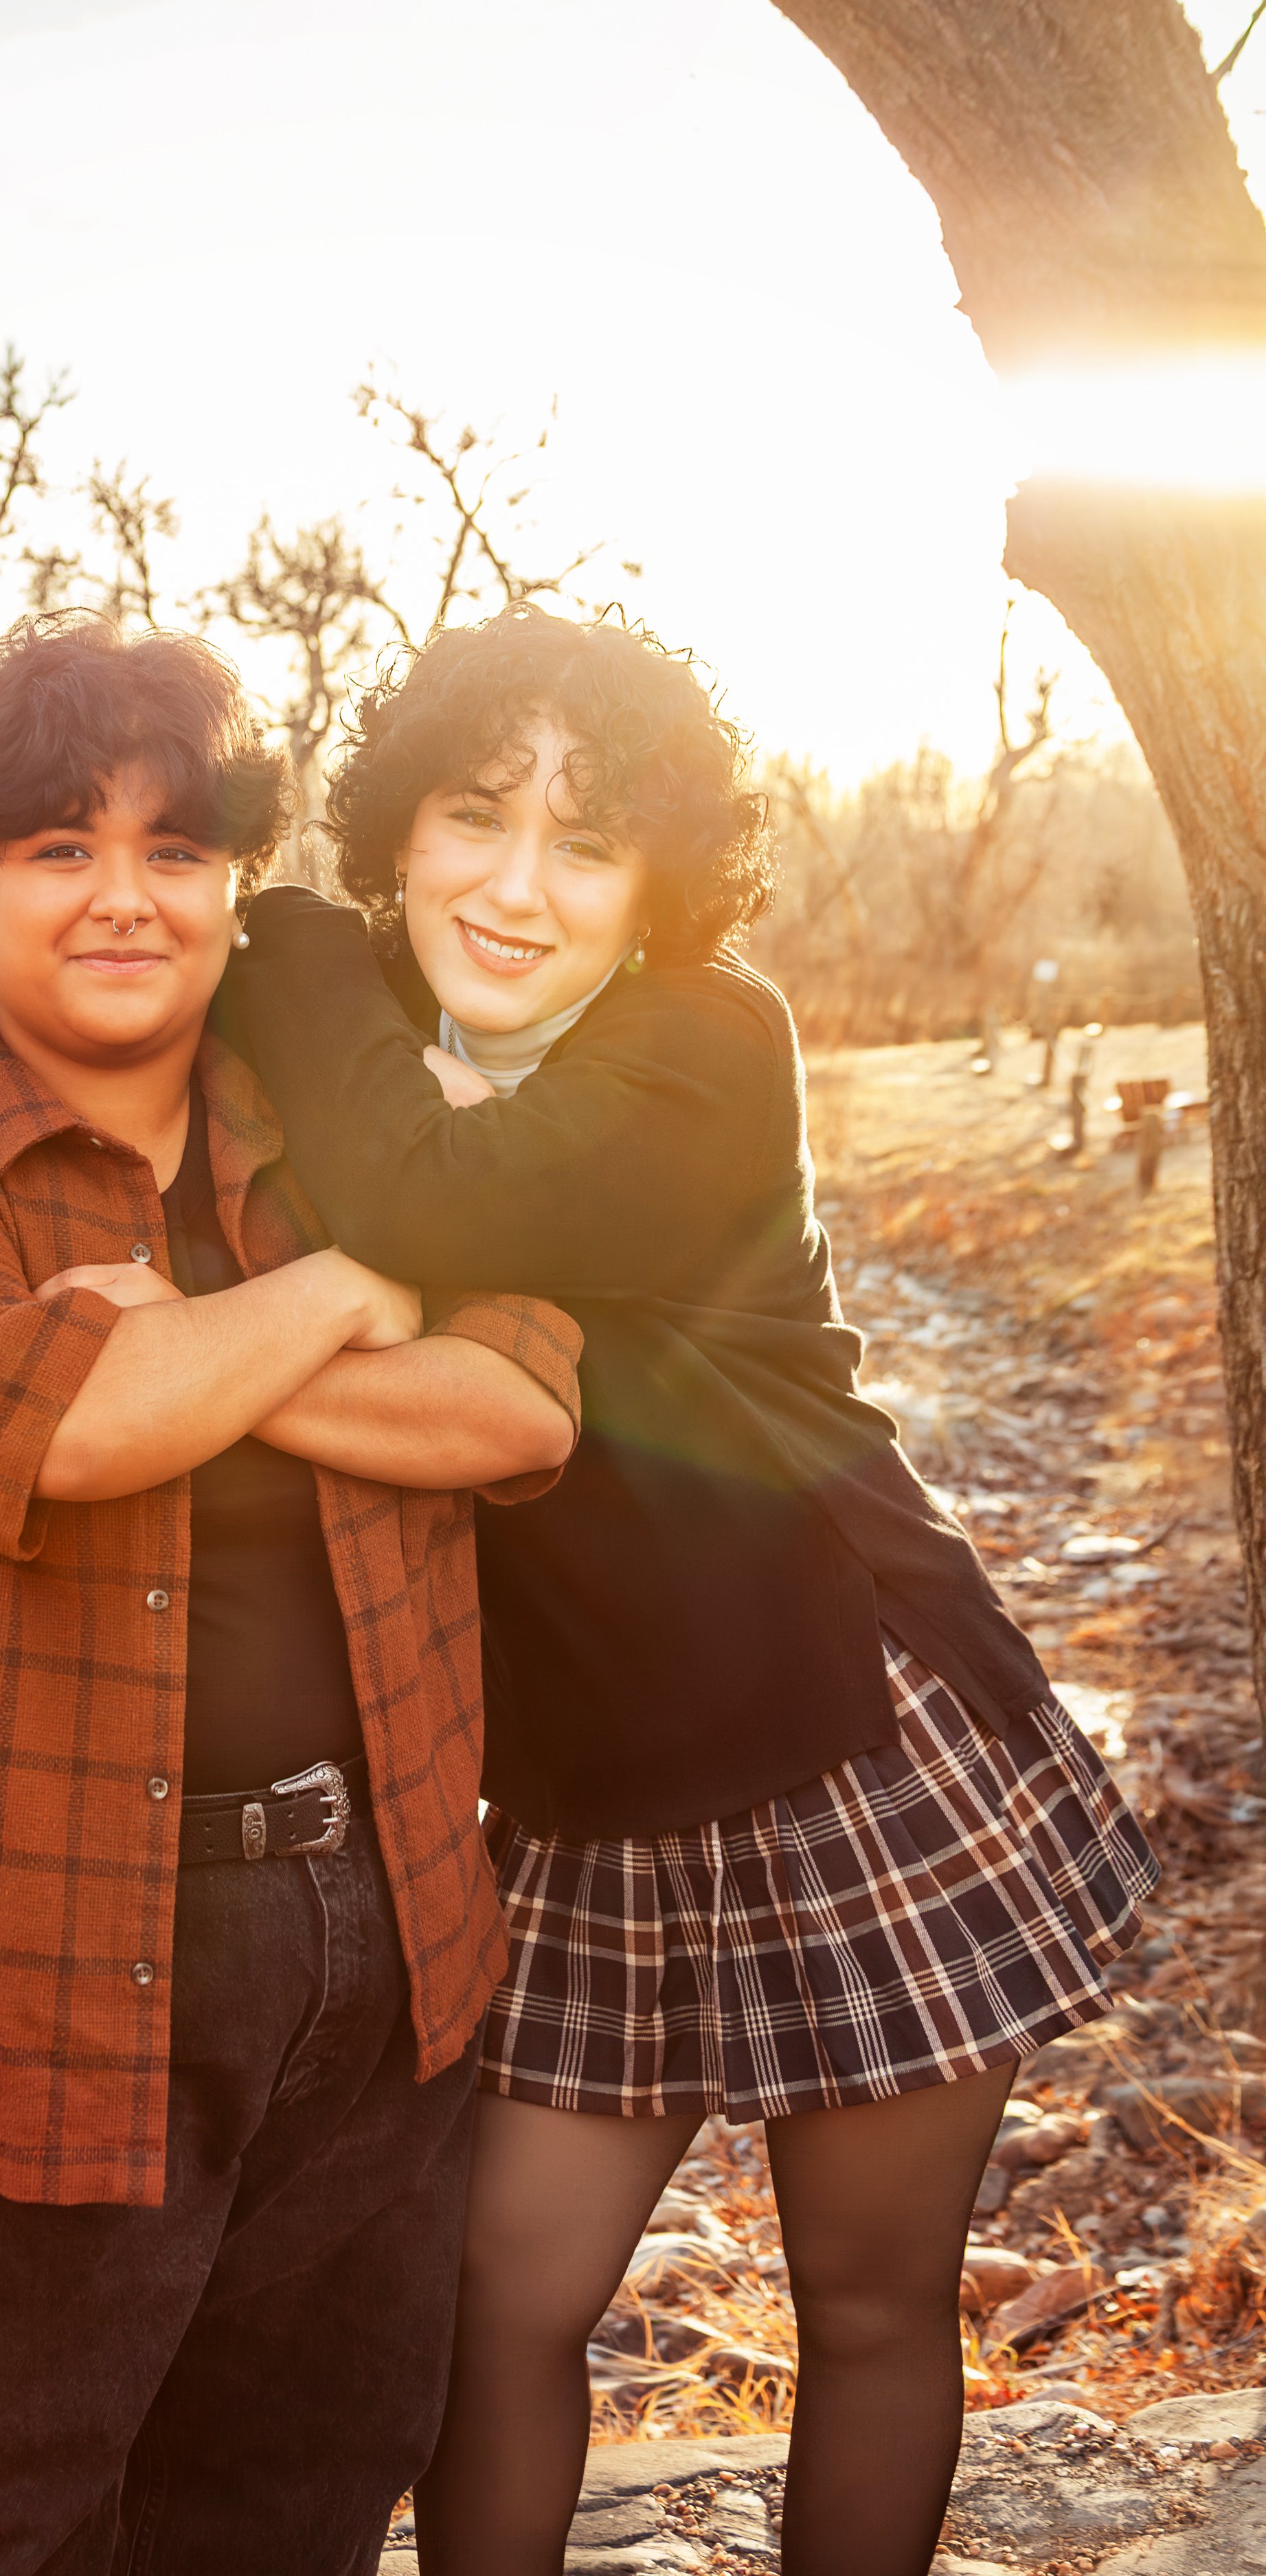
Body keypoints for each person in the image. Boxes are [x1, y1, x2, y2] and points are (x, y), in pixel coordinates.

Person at [225, 602, 1159, 2576]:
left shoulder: (701, 1040)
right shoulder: (364, 1047)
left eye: (584, 842)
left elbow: (434, 1203)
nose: (516, 886)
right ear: (401, 829)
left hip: (851, 1735)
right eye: (475, 819)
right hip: (578, 1798)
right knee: (504, 2302)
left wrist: (294, 935)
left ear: (652, 882)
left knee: (872, 2303)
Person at [0, 613, 583, 2576]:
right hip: (25, 1962)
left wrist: (199, 1343)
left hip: (386, 1944)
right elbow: (62, 1437)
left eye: (176, 849)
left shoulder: (371, 1133)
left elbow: (519, 1410)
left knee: (293, 2509)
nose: (124, 900)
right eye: (58, 849)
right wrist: (340, 1298)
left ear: (233, 884)